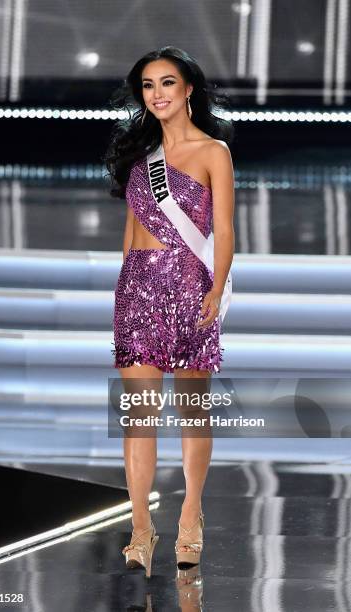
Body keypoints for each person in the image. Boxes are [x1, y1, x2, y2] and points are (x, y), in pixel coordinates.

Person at [104, 46, 235, 578]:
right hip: (137, 290)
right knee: (137, 420)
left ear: (188, 90)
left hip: (188, 286)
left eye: (167, 83)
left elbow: (223, 230)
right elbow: (131, 232)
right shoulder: (141, 159)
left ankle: (189, 517)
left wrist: (216, 288)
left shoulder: (213, 152)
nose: (157, 94)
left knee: (192, 412)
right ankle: (140, 528)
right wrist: (124, 286)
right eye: (148, 86)